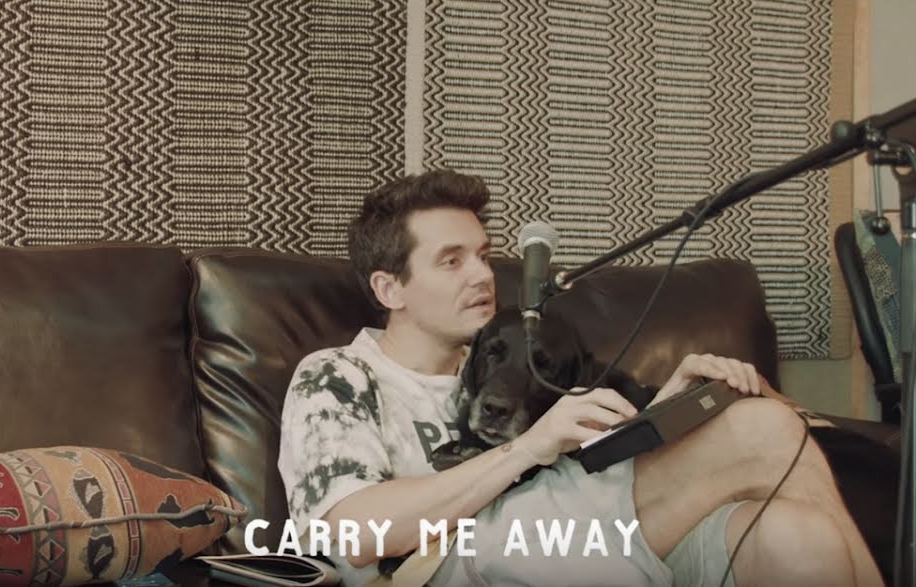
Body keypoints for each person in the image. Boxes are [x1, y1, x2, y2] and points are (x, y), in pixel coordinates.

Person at [277, 169, 884, 587]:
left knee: (796, 537)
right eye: (451, 261)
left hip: (584, 542)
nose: (482, 276)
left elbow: (590, 474)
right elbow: (355, 536)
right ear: (390, 288)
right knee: (762, 431)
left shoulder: (508, 360)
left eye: (483, 255)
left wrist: (665, 408)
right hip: (462, 561)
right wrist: (524, 449)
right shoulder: (338, 376)